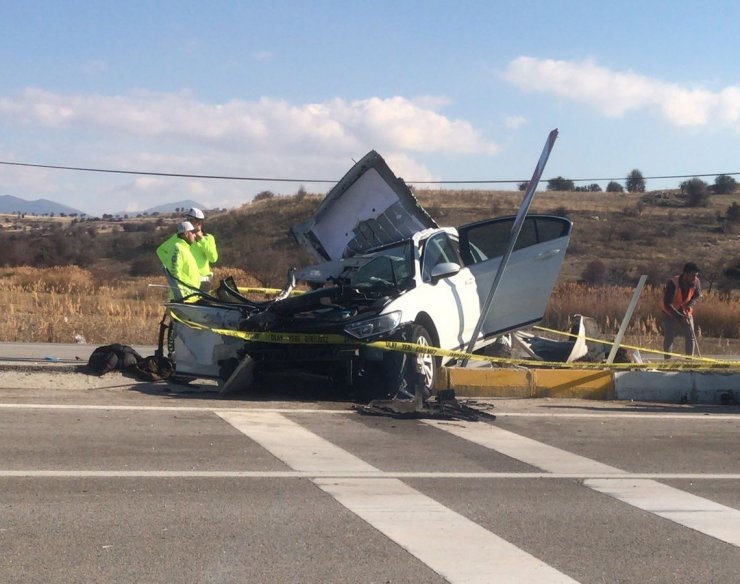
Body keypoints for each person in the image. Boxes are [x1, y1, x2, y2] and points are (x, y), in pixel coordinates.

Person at [660, 262, 701, 358]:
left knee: (690, 336)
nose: (694, 278)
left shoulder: (696, 281)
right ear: (685, 274)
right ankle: (667, 363)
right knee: (669, 338)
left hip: (685, 310)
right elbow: (667, 303)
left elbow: (697, 295)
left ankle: (689, 362)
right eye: (692, 275)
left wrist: (690, 305)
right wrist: (679, 317)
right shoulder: (673, 282)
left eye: (696, 275)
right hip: (669, 312)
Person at [156, 221, 202, 300]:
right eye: (192, 232)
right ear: (186, 234)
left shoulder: (185, 249)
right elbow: (175, 275)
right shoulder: (178, 249)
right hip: (184, 299)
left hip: (191, 298)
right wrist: (181, 298)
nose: (195, 235)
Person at [184, 207, 218, 291]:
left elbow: (213, 258)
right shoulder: (183, 238)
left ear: (199, 222)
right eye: (187, 219)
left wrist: (201, 239)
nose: (187, 222)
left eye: (190, 220)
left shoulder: (209, 238)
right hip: (187, 280)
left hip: (203, 281)